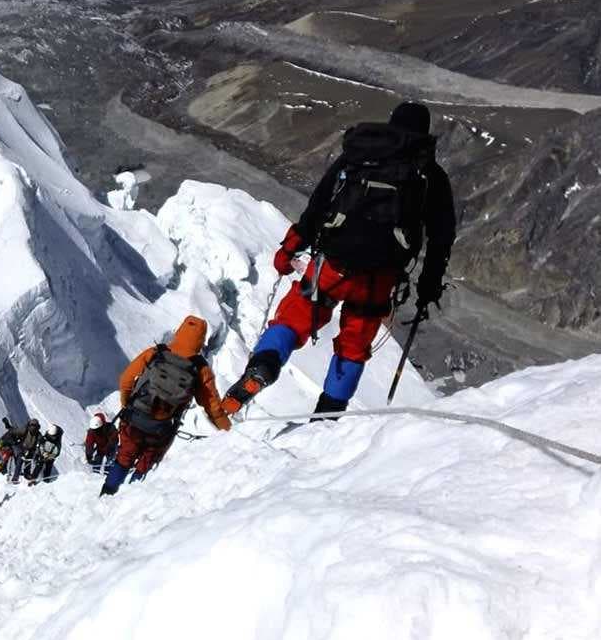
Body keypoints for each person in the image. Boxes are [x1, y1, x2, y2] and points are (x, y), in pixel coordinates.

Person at [222, 102, 457, 417]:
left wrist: (291, 247)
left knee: (296, 317)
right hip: (377, 278)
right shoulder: (429, 173)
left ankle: (261, 368)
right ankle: (327, 416)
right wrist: (428, 287)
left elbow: (319, 204)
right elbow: (441, 237)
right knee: (353, 344)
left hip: (333, 263)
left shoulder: (360, 154)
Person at [101, 316, 231, 496]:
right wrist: (231, 432)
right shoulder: (201, 370)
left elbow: (126, 380)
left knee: (124, 458)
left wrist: (127, 404)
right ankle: (131, 500)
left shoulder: (155, 353)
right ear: (201, 341)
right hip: (162, 428)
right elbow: (213, 407)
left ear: (179, 332)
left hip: (134, 419)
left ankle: (106, 496)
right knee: (145, 463)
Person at [0, 418, 41, 484]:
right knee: (20, 461)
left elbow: (40, 442)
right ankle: (15, 477)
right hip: (21, 447)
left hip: (30, 450)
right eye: (32, 426)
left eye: (35, 427)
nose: (33, 429)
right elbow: (12, 432)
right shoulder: (24, 430)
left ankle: (26, 474)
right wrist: (13, 442)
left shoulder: (38, 434)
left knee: (28, 461)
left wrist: (37, 450)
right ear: (30, 426)